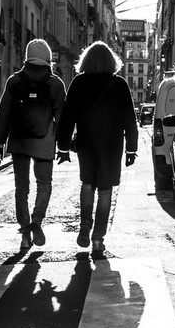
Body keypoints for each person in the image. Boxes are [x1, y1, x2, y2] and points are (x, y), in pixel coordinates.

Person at [55, 40, 138, 255]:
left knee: (87, 183)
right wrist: (131, 149)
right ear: (111, 61)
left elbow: (67, 117)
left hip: (86, 141)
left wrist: (63, 147)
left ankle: (84, 225)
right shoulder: (118, 84)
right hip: (112, 144)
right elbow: (130, 118)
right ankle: (98, 238)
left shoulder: (79, 82)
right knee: (106, 189)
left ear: (87, 60)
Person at [0, 38, 67, 250]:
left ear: (27, 57)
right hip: (44, 141)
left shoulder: (15, 82)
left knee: (21, 187)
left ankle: (25, 233)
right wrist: (64, 145)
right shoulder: (55, 84)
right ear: (48, 59)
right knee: (44, 184)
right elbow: (62, 117)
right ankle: (37, 221)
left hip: (19, 140)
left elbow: (4, 112)